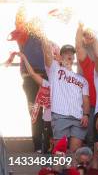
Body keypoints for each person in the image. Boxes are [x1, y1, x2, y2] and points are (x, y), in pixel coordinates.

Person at [41, 29, 90, 153]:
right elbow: (47, 52)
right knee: (59, 152)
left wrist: (86, 114)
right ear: (61, 55)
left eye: (71, 53)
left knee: (75, 153)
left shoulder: (82, 79)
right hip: (60, 115)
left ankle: (71, 172)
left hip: (78, 117)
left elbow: (86, 99)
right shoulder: (54, 69)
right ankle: (56, 173)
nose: (69, 55)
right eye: (66, 53)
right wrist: (42, 33)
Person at [10, 10, 48, 152]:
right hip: (30, 77)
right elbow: (19, 22)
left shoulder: (43, 37)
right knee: (35, 110)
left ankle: (47, 143)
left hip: (45, 77)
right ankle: (38, 145)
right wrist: (22, 6)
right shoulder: (23, 35)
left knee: (49, 110)